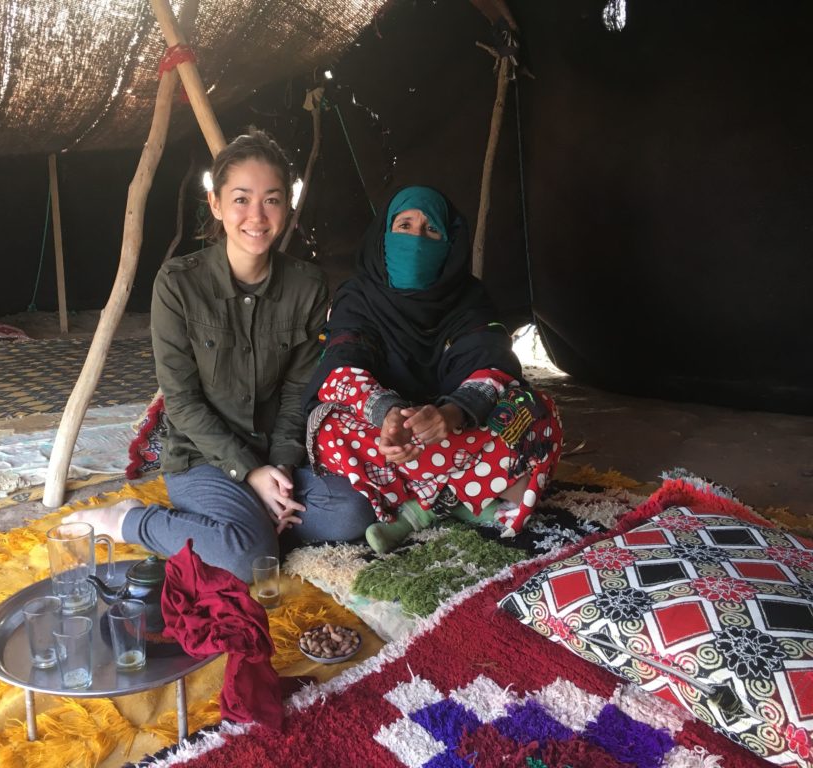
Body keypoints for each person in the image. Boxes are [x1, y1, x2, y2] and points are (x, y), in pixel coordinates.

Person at [64, 130, 374, 582]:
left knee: (355, 512)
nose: (257, 216)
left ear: (287, 206)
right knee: (248, 563)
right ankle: (131, 520)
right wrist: (251, 473)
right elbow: (182, 402)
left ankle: (248, 522)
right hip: (201, 458)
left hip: (273, 453)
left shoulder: (307, 285)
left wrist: (281, 470)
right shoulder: (178, 284)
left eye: (271, 200)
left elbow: (295, 393)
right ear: (215, 204)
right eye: (241, 199)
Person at [304, 185, 563, 553]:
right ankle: (466, 499)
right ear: (383, 234)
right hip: (385, 433)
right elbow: (341, 371)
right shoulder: (358, 296)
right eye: (405, 225)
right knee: (329, 428)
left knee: (537, 414)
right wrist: (387, 414)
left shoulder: (469, 298)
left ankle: (415, 510)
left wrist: (452, 412)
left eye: (431, 230)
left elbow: (492, 364)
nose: (416, 239)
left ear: (449, 242)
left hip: (452, 427)